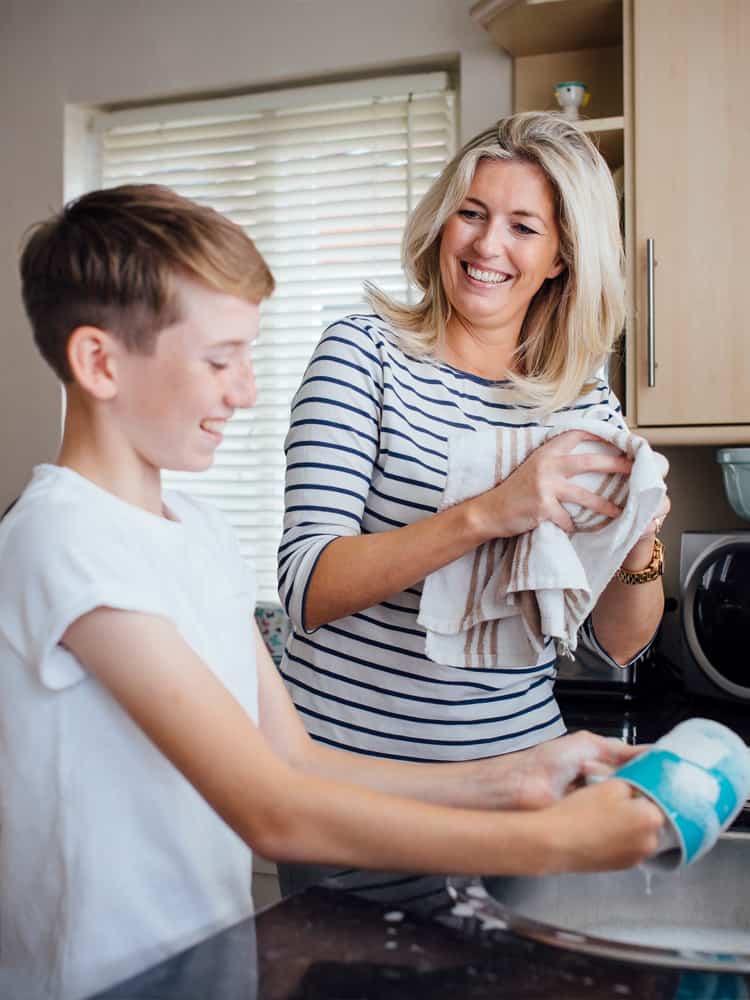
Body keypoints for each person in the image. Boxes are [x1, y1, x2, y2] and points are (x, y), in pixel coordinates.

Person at [0, 183, 662, 1000]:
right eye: (219, 359)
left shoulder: (196, 531)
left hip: (209, 969)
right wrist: (559, 845)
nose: (245, 391)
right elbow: (273, 810)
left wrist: (519, 779)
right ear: (99, 362)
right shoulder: (64, 538)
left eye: (248, 355)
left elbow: (294, 758)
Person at [277, 113, 670, 888]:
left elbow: (618, 644)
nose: (488, 247)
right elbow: (306, 587)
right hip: (356, 801)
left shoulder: (583, 400)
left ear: (561, 258)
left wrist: (637, 542)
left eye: (524, 226)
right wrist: (492, 511)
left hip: (523, 798)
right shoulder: (363, 355)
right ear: (442, 221)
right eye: (472, 213)